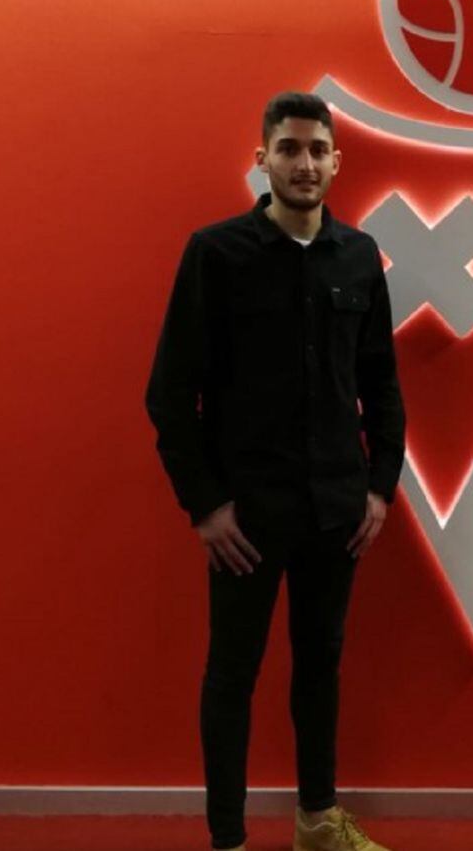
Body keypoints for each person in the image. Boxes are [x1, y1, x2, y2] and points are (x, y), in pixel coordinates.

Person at [145, 91, 405, 851]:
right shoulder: (216, 255)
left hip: (336, 511)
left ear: (336, 161)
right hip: (245, 520)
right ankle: (227, 839)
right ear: (262, 159)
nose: (305, 163)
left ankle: (318, 823)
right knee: (232, 676)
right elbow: (168, 393)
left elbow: (381, 382)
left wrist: (379, 486)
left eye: (318, 149)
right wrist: (206, 506)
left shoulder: (358, 256)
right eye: (289, 149)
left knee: (319, 668)